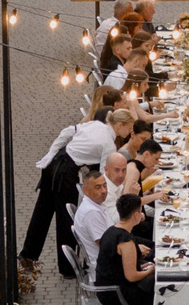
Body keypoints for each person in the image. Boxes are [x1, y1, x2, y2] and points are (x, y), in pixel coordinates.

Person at [22, 101, 122, 269]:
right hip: (65, 173)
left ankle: (28, 254)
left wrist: (50, 153)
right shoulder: (106, 140)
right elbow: (103, 172)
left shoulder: (93, 127)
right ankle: (67, 266)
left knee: (43, 211)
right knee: (66, 218)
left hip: (54, 164)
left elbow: (67, 131)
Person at [96, 192, 156, 305]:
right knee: (154, 284)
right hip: (115, 292)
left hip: (106, 286)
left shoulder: (112, 230)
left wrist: (142, 267)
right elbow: (131, 276)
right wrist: (151, 270)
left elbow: (117, 264)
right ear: (136, 215)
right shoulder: (125, 241)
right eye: (140, 211)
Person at [70, 168, 116, 281]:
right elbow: (106, 245)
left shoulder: (97, 203)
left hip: (109, 263)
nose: (104, 190)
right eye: (98, 187)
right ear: (85, 190)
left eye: (105, 185)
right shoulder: (91, 212)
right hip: (106, 271)